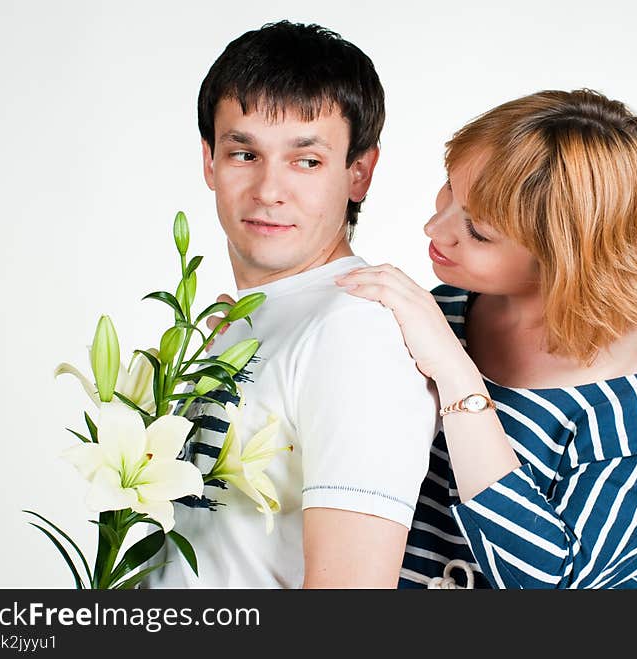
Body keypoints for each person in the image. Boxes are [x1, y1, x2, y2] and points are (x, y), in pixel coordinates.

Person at [211, 88, 637, 588]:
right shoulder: (440, 310)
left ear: (568, 256)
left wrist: (457, 377)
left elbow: (554, 580)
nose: (436, 227)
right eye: (449, 191)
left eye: (478, 231)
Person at [144, 20, 438, 589]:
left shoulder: (356, 328)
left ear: (360, 172)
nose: (268, 190)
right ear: (209, 161)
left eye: (306, 161)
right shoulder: (243, 318)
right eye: (243, 153)